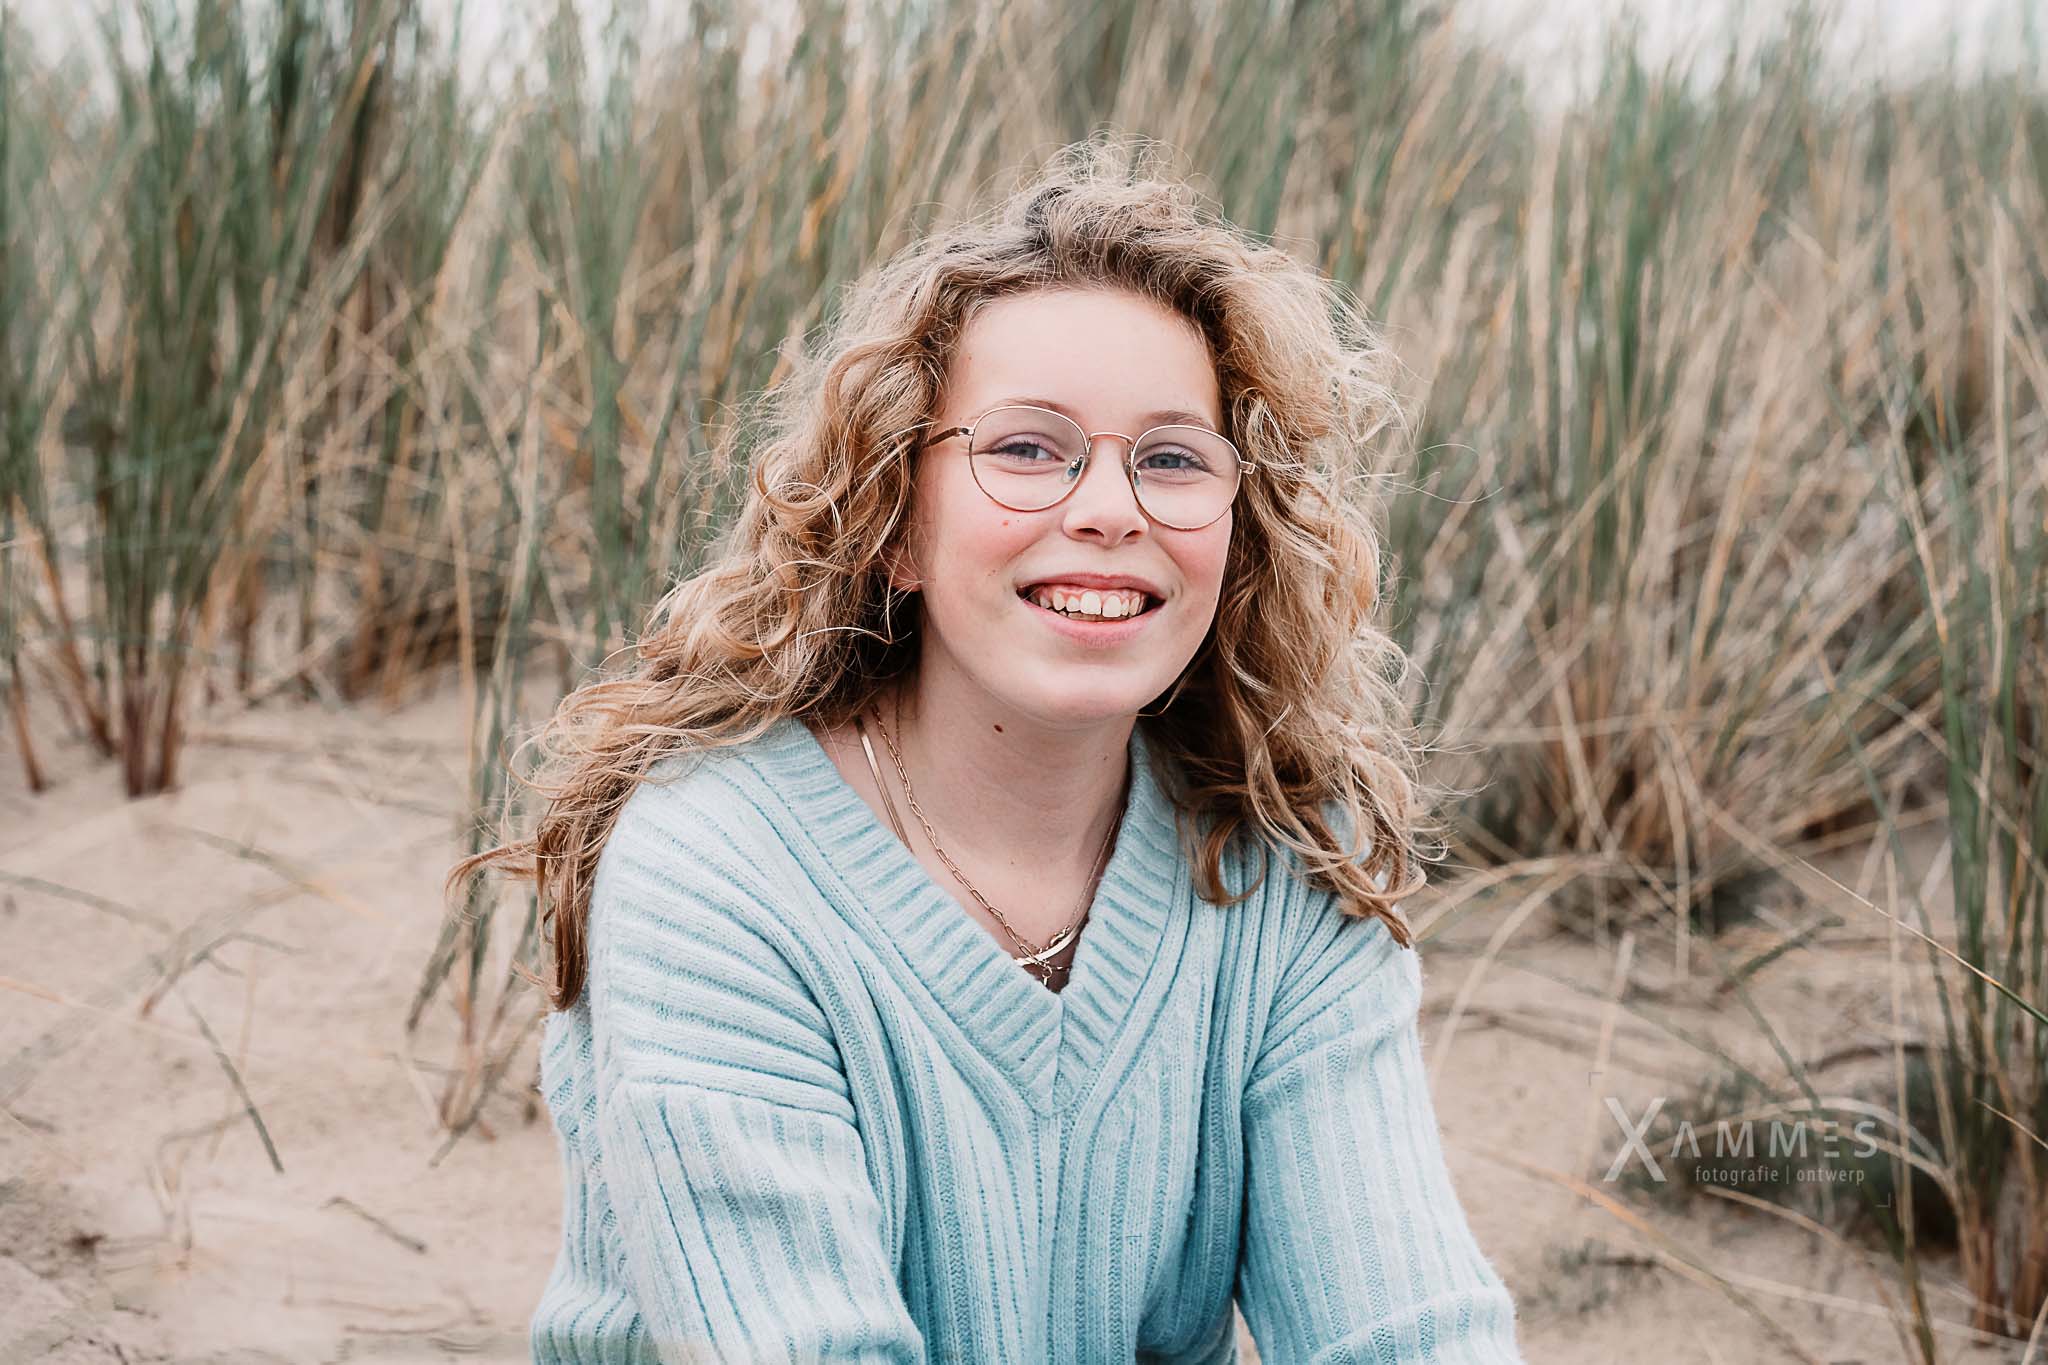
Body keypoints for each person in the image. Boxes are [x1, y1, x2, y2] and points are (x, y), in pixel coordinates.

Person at [459, 134, 1523, 1362]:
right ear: (892, 527)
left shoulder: (1287, 861)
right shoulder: (718, 870)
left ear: (1237, 537)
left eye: (1172, 458)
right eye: (1026, 448)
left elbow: (1398, 1332)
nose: (1108, 509)